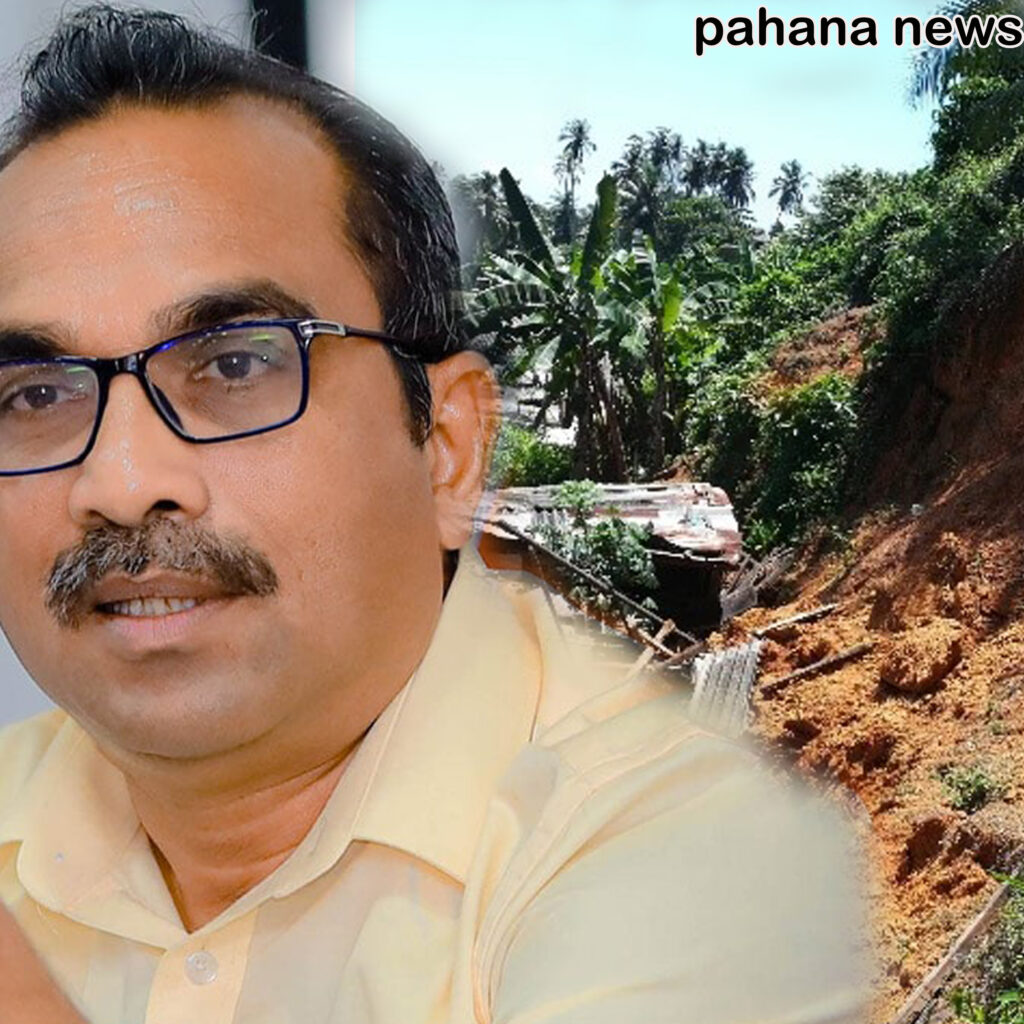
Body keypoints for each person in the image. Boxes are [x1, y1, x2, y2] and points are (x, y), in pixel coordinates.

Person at [0, 6, 868, 1023]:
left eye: (235, 365)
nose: (118, 480)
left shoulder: (682, 856)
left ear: (447, 448)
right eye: (36, 393)